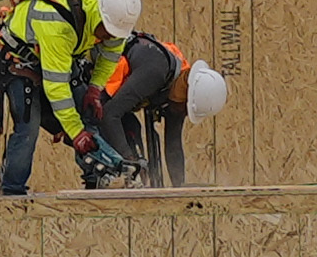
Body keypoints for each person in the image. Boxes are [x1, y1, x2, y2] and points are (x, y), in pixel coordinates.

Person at [0, 0, 137, 195]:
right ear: (101, 16)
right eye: (107, 32)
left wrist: (95, 89)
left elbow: (109, 56)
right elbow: (56, 87)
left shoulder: (115, 23)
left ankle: (96, 180)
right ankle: (11, 190)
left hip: (61, 60)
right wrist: (76, 133)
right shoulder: (57, 23)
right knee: (27, 129)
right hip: (19, 62)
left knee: (87, 116)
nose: (109, 37)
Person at [88, 35, 227, 186]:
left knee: (133, 144)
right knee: (126, 141)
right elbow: (109, 114)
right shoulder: (155, 72)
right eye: (186, 109)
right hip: (93, 89)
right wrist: (130, 161)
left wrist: (179, 190)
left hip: (112, 103)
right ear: (185, 91)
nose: (184, 113)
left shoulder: (177, 91)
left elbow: (173, 144)